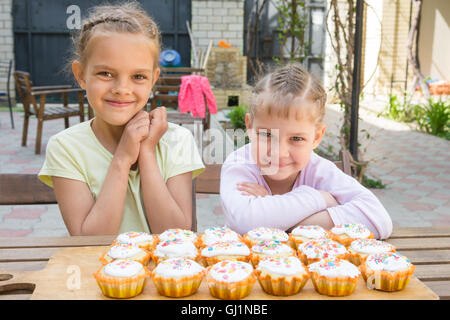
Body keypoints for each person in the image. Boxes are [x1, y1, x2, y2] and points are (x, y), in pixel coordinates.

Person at [38, 2, 204, 235]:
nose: (122, 88)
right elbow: (90, 240)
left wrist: (146, 152)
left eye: (138, 76)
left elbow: (175, 235)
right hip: (96, 270)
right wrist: (123, 158)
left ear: (153, 79)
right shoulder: (66, 148)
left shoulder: (178, 140)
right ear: (81, 75)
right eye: (105, 73)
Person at [220, 63, 393, 239]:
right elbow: (244, 222)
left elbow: (379, 220)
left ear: (317, 137)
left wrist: (274, 214)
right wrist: (319, 199)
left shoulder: (320, 170)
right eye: (267, 135)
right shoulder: (240, 164)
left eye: (296, 139)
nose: (279, 152)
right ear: (249, 127)